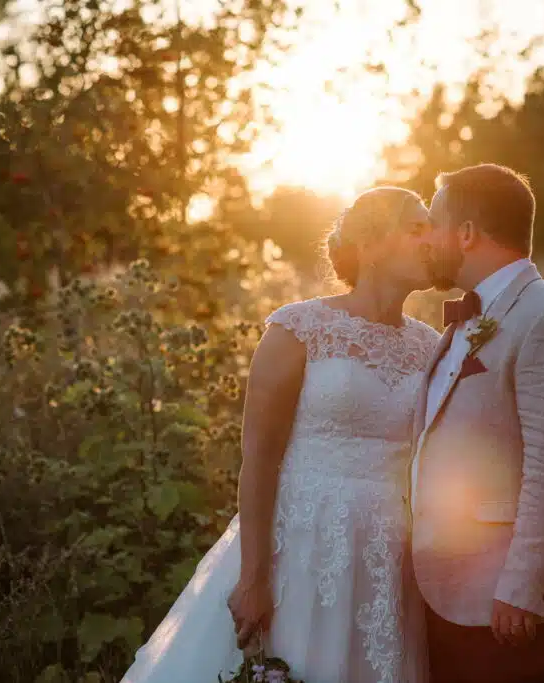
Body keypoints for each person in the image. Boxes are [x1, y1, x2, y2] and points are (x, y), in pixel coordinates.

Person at [120, 186, 440, 683]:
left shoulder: (432, 346)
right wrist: (253, 576)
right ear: (372, 244)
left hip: (389, 557)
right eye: (417, 227)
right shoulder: (298, 329)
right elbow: (259, 459)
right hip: (302, 545)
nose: (431, 239)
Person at [410, 163, 544, 683]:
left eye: (434, 222)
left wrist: (522, 589)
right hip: (447, 595)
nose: (426, 237)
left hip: (506, 607)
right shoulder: (467, 319)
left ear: (468, 233)